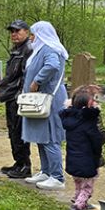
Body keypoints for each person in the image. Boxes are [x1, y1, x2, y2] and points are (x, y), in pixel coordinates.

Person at [21, 21, 69, 190]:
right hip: (42, 99)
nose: (31, 38)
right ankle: (46, 171)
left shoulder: (50, 49)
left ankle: (57, 176)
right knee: (41, 137)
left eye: (33, 35)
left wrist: (37, 81)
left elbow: (52, 66)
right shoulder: (41, 49)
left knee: (50, 137)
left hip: (50, 99)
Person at [61, 86, 105, 210]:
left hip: (73, 161)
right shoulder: (89, 123)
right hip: (88, 162)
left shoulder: (70, 121)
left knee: (78, 186)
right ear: (89, 105)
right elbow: (97, 140)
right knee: (87, 189)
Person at [0, 20, 33, 179]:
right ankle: (18, 162)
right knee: (12, 131)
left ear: (26, 31)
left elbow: (26, 75)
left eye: (17, 31)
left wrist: (21, 95)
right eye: (12, 31)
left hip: (18, 96)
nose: (14, 34)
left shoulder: (28, 49)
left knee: (19, 131)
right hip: (11, 94)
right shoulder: (16, 49)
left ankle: (25, 165)